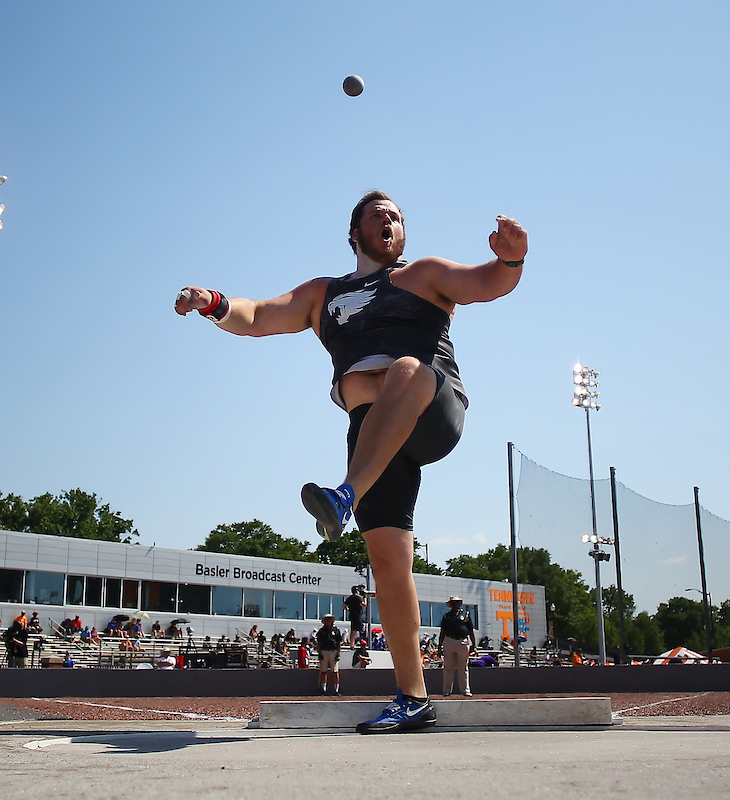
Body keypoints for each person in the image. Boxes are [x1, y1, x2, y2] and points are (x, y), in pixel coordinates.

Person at [177, 192, 526, 733]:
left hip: (433, 406)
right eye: (377, 214)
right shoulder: (325, 293)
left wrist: (510, 258)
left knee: (403, 369)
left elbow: (486, 283)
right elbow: (259, 315)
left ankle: (343, 495)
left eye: (397, 216)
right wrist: (213, 302)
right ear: (354, 231)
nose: (389, 221)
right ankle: (413, 698)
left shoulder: (425, 274)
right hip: (374, 434)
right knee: (388, 564)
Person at [438, 596, 476, 697]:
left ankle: (465, 690)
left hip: (462, 642)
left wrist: (474, 644)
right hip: (449, 641)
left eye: (457, 602)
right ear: (451, 604)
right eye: (453, 602)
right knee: (448, 667)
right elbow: (442, 632)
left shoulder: (466, 615)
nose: (456, 604)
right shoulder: (447, 616)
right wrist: (439, 647)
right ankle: (446, 690)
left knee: (463, 668)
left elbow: (471, 630)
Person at [315, 613, 344, 696]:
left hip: (333, 651)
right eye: (327, 619)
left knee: (335, 671)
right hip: (324, 651)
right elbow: (319, 643)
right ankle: (323, 689)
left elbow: (339, 642)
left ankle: (336, 690)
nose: (328, 621)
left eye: (330, 619)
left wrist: (338, 653)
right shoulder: (321, 631)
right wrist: (319, 653)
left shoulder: (336, 630)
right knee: (323, 671)